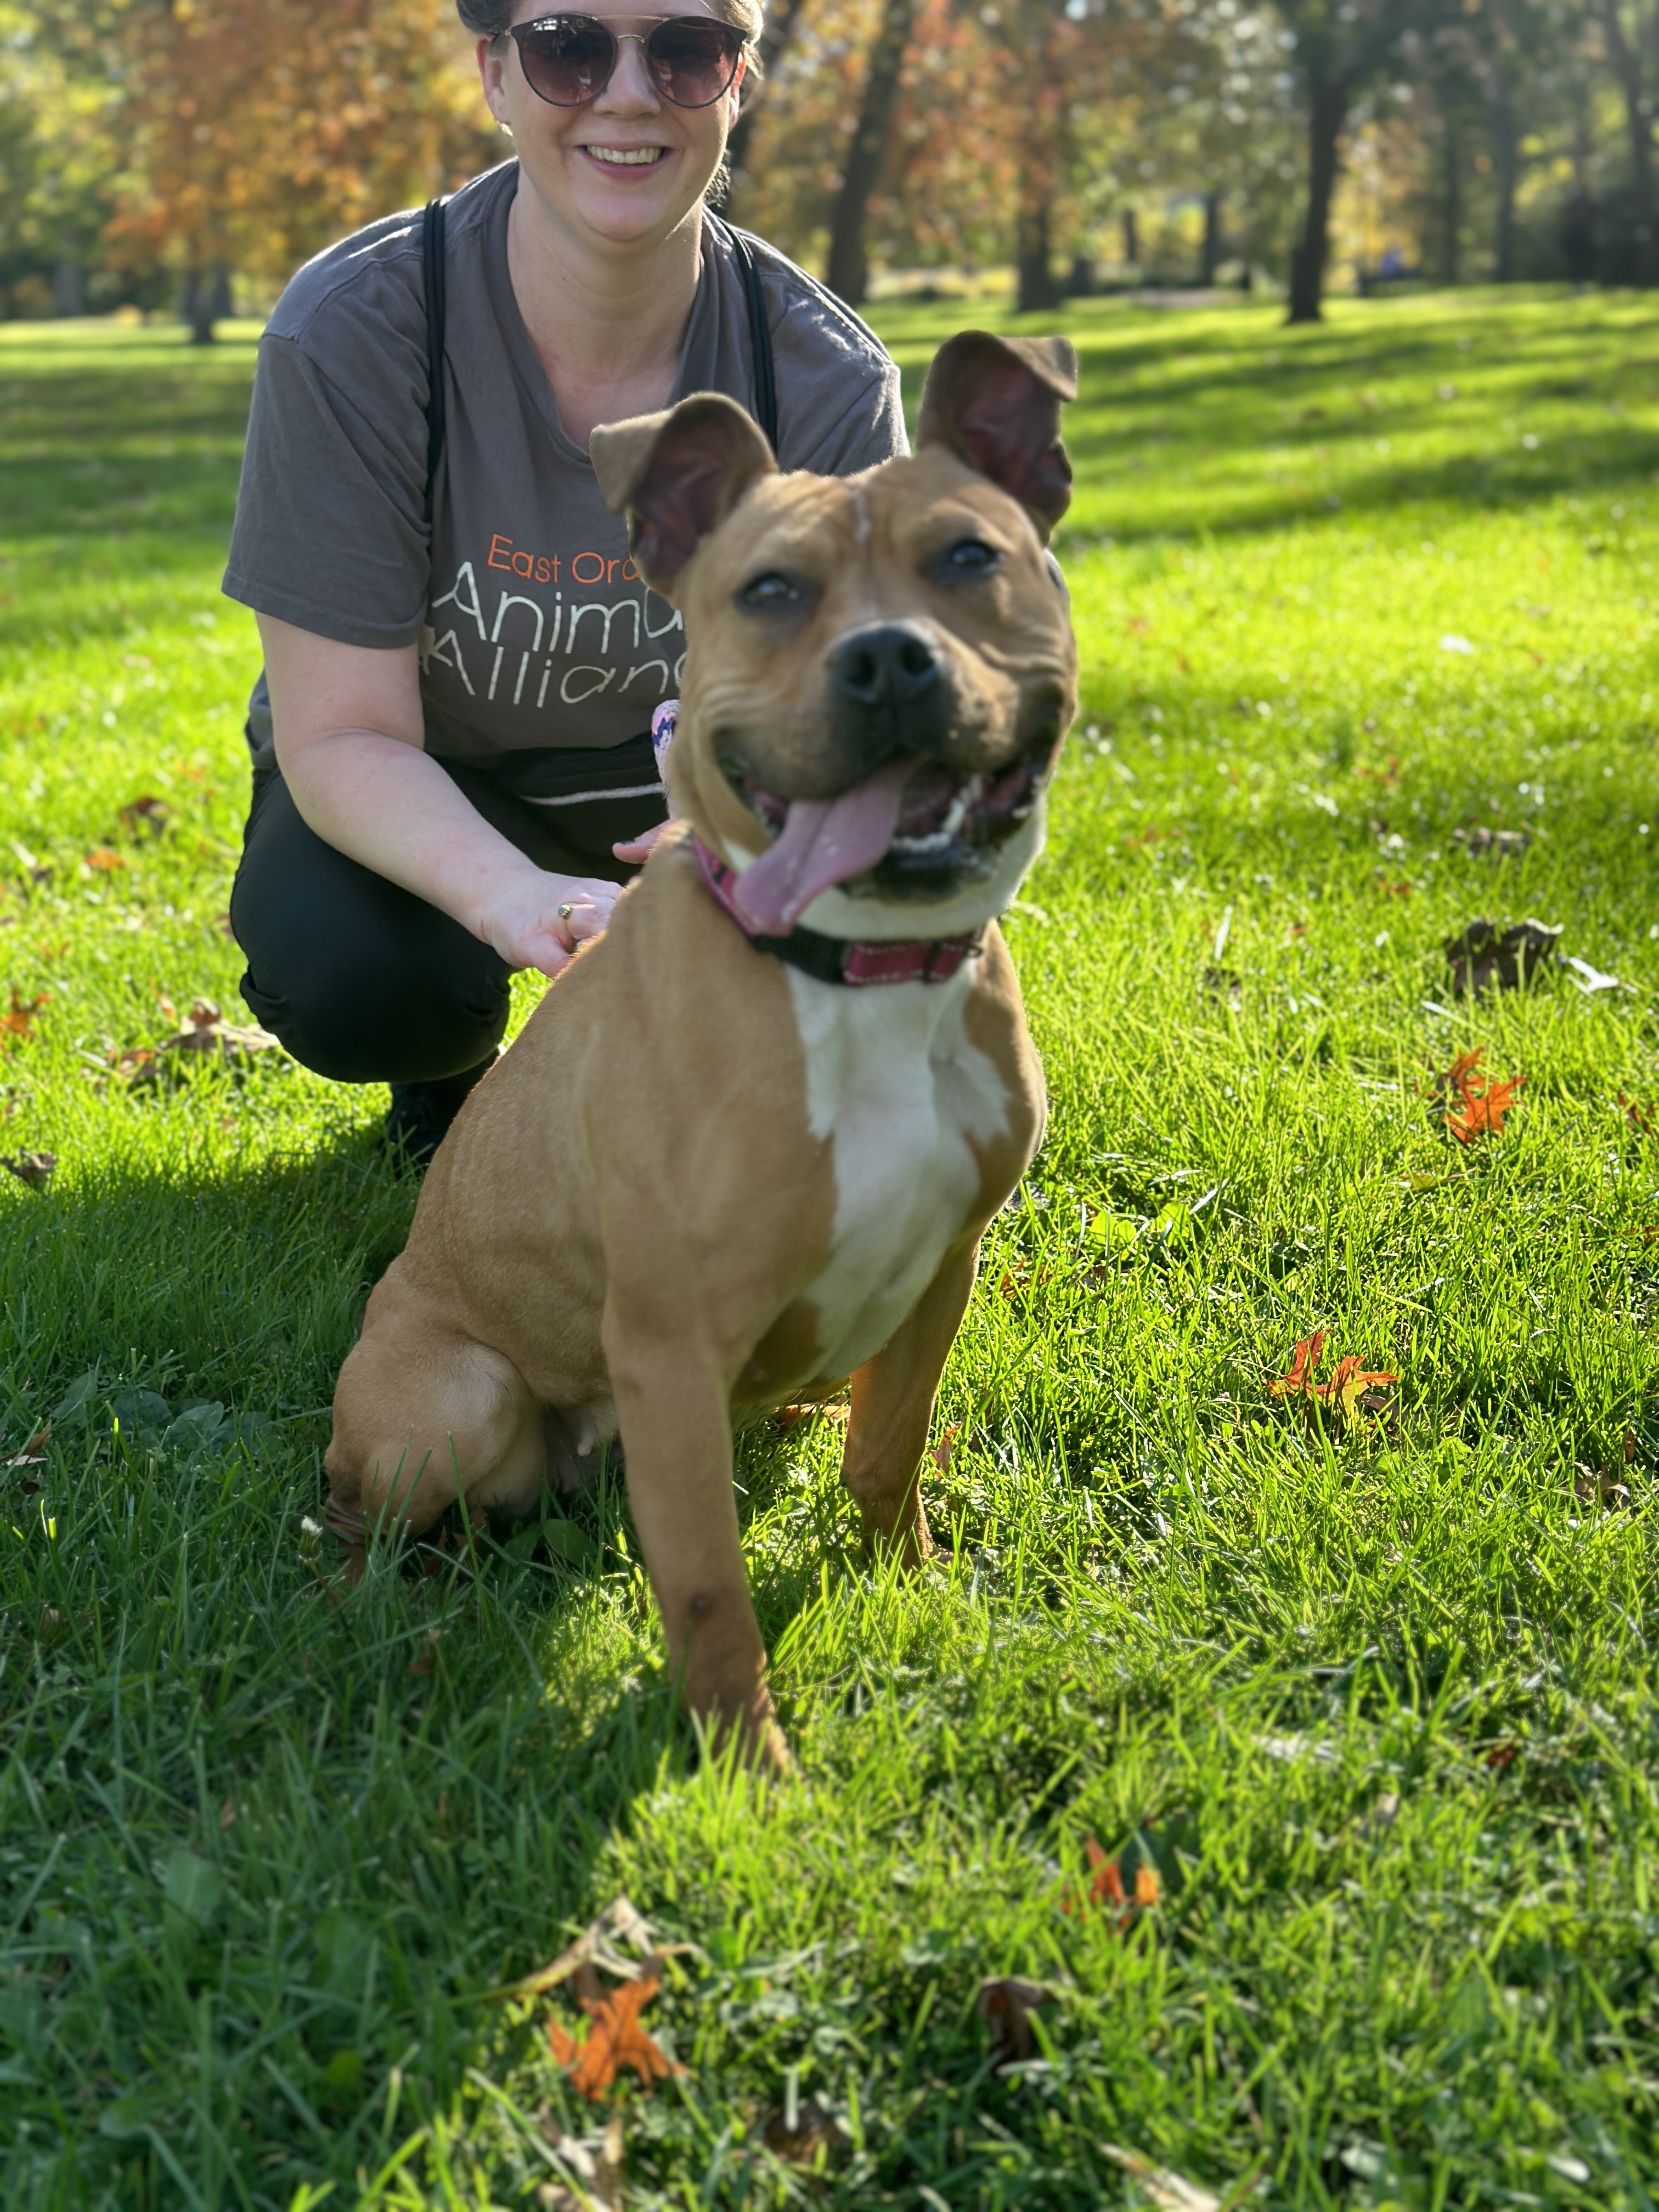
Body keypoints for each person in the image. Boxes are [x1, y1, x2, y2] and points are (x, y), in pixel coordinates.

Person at [223, 0, 905, 1163]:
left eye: (684, 50)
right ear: (496, 73)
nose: (629, 94)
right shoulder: (354, 331)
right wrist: (514, 899)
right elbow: (342, 734)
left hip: (698, 787)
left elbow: (850, 734)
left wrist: (729, 845)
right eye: (569, 48)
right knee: (356, 974)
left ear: (739, 79)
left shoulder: (824, 380)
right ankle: (446, 1070)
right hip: (439, 771)